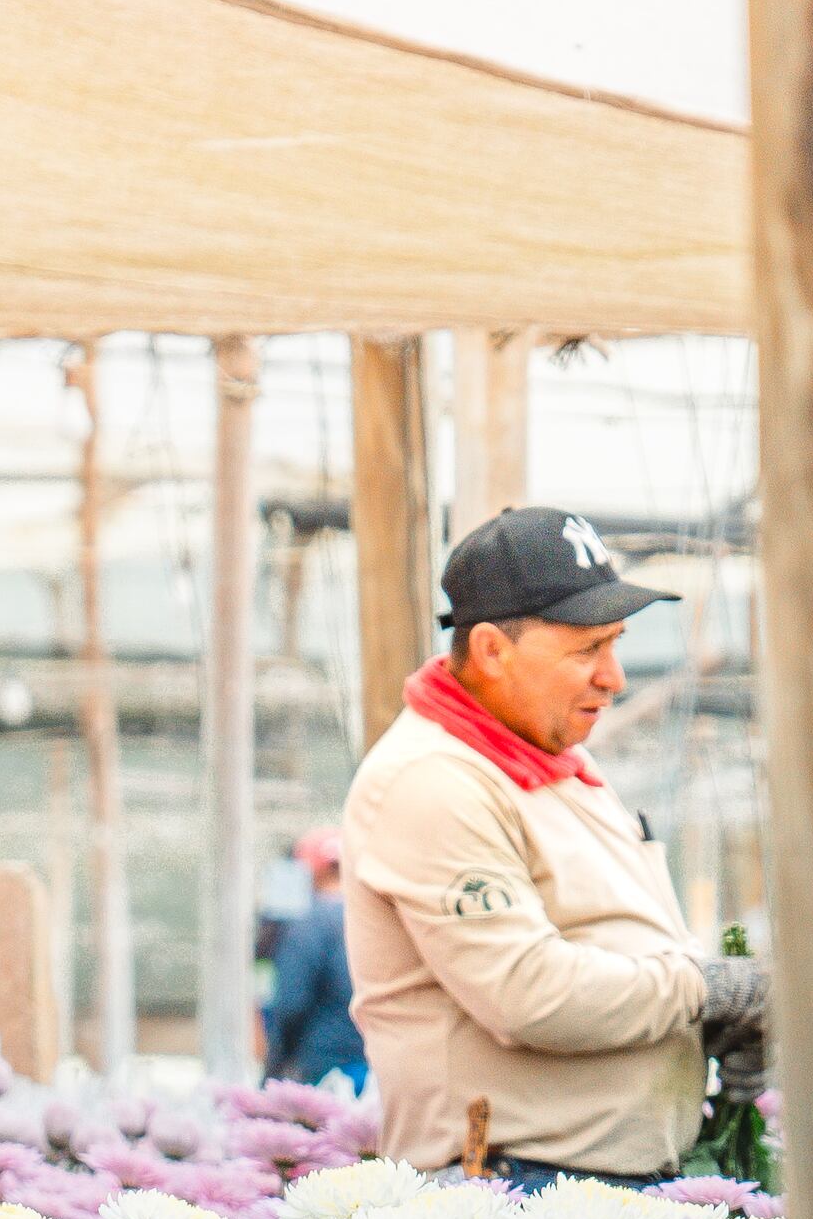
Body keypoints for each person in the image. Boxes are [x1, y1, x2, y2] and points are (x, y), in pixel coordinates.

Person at [341, 507, 765, 1182]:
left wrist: (712, 1024)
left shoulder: (551, 763)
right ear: (490, 651)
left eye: (615, 644)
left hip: (593, 1180)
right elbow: (526, 994)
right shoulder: (433, 780)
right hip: (516, 1187)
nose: (614, 677)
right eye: (586, 649)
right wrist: (702, 990)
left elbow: (608, 947)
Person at [264, 827, 365, 1087]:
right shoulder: (375, 920)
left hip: (326, 1071)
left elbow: (291, 1003)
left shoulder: (308, 923)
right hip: (377, 1063)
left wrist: (275, 1065)